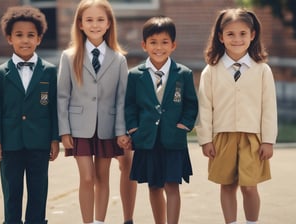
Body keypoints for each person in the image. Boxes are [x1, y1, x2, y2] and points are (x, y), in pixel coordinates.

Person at [57, 0, 136, 223]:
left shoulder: (119, 59)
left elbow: (122, 98)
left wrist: (121, 131)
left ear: (109, 23)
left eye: (100, 19)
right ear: (80, 24)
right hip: (79, 128)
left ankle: (100, 221)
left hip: (108, 128)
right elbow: (62, 96)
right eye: (89, 20)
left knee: (103, 177)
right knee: (87, 177)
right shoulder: (69, 57)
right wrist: (64, 131)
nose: (95, 24)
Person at [196, 8, 278, 224]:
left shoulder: (262, 70)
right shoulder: (210, 71)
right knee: (227, 185)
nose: (237, 39)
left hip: (253, 138)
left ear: (252, 35)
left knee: (250, 186)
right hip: (222, 138)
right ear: (221, 37)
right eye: (230, 34)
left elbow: (269, 107)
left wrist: (268, 140)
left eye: (243, 33)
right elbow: (205, 107)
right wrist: (205, 139)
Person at [0, 5, 60, 224]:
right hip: (10, 143)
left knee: (39, 190)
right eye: (19, 35)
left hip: (40, 142)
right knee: (12, 192)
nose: (25, 40)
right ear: (9, 38)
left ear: (39, 39)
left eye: (31, 35)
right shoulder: (0, 73)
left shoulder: (49, 71)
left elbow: (54, 107)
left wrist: (55, 139)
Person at [125, 16, 198, 224]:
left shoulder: (183, 74)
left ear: (173, 45)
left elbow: (191, 104)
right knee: (154, 186)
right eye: (153, 42)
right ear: (144, 45)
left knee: (172, 185)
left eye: (165, 42)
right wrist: (133, 129)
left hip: (173, 140)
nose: (159, 47)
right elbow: (129, 105)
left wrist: (184, 125)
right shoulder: (135, 75)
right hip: (147, 139)